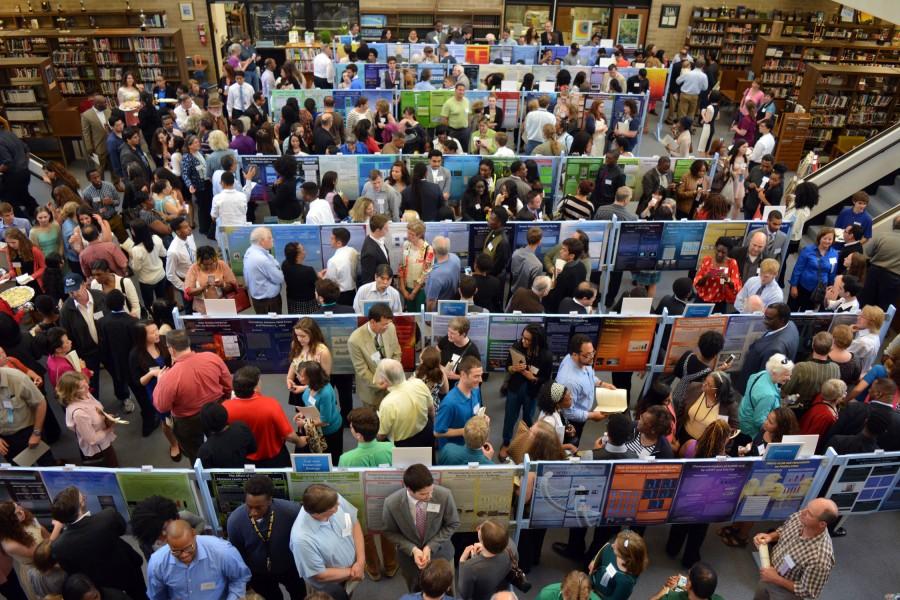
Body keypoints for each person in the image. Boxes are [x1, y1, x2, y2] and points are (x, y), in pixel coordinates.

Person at [49, 486, 147, 600]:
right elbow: (121, 529)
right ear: (80, 505)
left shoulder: (59, 547)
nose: (85, 497)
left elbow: (74, 572)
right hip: (129, 574)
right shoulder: (108, 517)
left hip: (100, 588)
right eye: (82, 497)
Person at [153, 329, 233, 463]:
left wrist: (160, 383)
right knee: (222, 441)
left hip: (188, 422)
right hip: (216, 410)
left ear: (171, 349)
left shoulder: (169, 377)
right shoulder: (212, 358)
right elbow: (228, 385)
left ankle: (202, 476)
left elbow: (162, 407)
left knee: (196, 452)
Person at [382, 464, 460, 592]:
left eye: (431, 491)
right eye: (423, 494)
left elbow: (453, 523)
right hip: (410, 561)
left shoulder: (444, 495)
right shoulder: (391, 503)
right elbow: (389, 532)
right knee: (416, 592)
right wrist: (412, 549)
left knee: (448, 593)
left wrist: (430, 546)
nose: (429, 496)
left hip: (441, 556)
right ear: (409, 489)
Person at [226, 475, 305, 600]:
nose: (253, 512)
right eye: (249, 506)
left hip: (290, 567)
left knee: (300, 595)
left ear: (269, 500)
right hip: (259, 574)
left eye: (258, 507)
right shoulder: (235, 521)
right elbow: (239, 555)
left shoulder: (292, 512)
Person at [290, 484, 365, 600]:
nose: (339, 505)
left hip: (353, 573)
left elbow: (354, 523)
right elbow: (320, 575)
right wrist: (354, 571)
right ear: (317, 513)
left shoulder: (332, 499)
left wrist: (360, 562)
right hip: (328, 589)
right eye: (334, 508)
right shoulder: (301, 539)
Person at [752, 498, 837, 600]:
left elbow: (808, 591)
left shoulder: (820, 559)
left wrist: (776, 579)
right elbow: (784, 529)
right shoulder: (801, 517)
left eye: (810, 513)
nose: (802, 512)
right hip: (770, 573)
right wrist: (770, 536)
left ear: (822, 524)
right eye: (807, 507)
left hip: (786, 592)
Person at [224, 366, 307, 468]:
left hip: (243, 461)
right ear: (255, 387)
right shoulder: (271, 404)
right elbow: (288, 435)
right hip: (274, 460)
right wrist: (300, 441)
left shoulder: (225, 407)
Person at [147, 519, 250, 600]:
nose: (184, 555)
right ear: (167, 542)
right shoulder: (157, 563)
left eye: (188, 548)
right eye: (176, 551)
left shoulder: (222, 552)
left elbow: (239, 578)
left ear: (194, 534)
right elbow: (157, 596)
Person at [500, 324, 553, 455]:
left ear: (536, 341)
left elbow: (546, 379)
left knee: (528, 418)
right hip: (515, 387)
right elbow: (507, 366)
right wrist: (514, 368)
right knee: (510, 417)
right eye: (523, 337)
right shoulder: (517, 347)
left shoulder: (546, 356)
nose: (523, 341)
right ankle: (506, 443)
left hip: (532, 391)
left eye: (527, 339)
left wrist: (534, 378)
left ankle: (525, 443)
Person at [556, 334, 615, 445]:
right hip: (573, 422)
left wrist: (602, 384)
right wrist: (592, 416)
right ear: (574, 355)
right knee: (571, 445)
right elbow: (569, 412)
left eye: (593, 352)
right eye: (588, 354)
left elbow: (588, 375)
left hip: (582, 412)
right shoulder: (570, 382)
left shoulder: (583, 360)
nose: (592, 357)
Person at [59, 273, 108, 394]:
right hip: (87, 353)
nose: (74, 294)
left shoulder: (101, 297)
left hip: (107, 347)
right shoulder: (66, 310)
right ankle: (95, 406)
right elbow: (67, 335)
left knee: (118, 374)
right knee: (91, 383)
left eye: (76, 290)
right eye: (70, 292)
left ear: (84, 285)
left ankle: (123, 396)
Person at [734, 303, 799, 393]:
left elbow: (762, 381)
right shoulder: (791, 325)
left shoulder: (774, 350)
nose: (764, 321)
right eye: (765, 316)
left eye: (769, 318)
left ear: (782, 320)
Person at [347, 304, 402, 408]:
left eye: (389, 323)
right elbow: (362, 371)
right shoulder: (355, 340)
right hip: (371, 392)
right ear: (372, 322)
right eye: (384, 324)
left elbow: (396, 352)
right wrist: (380, 383)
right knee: (372, 422)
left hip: (392, 388)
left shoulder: (390, 327)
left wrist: (393, 373)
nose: (387, 327)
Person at [374, 358, 434, 448]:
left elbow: (382, 434)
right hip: (426, 433)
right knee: (429, 462)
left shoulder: (387, 403)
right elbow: (431, 410)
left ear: (384, 380)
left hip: (404, 444)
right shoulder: (419, 383)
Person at [457, 519, 517, 600]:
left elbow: (465, 594)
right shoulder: (511, 546)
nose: (478, 528)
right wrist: (485, 547)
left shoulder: (470, 567)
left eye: (480, 529)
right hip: (502, 589)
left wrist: (462, 561)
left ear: (483, 542)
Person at [739, 354, 794, 440]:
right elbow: (759, 421)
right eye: (786, 375)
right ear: (775, 373)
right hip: (750, 432)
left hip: (742, 417)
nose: (789, 378)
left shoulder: (763, 374)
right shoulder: (768, 396)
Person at [435, 356, 484, 449]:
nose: (480, 380)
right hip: (453, 452)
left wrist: (481, 417)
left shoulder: (475, 390)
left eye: (481, 375)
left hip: (470, 446)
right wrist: (466, 431)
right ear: (463, 375)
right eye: (476, 376)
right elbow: (437, 432)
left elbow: (476, 410)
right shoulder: (449, 403)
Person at [587, 530, 648, 600]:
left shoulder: (626, 581)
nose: (612, 545)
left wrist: (594, 596)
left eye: (616, 547)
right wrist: (594, 560)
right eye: (614, 542)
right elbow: (602, 552)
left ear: (625, 556)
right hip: (594, 584)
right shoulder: (610, 549)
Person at [789, 228, 837, 312]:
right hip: (802, 287)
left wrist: (830, 286)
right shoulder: (808, 250)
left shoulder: (834, 254)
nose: (827, 241)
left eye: (830, 239)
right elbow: (798, 268)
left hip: (818, 291)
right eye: (825, 238)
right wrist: (794, 286)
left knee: (806, 314)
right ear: (819, 238)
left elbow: (832, 272)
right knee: (791, 310)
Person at [196, 402, 257, 468]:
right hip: (243, 471)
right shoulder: (241, 427)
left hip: (222, 477)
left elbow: (206, 473)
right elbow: (253, 449)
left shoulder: (205, 450)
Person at [860, 215, 900, 312]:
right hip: (893, 279)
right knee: (883, 310)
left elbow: (868, 252)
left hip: (873, 273)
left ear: (893, 225)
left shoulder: (882, 236)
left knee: (865, 303)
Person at [693, 237, 742, 313]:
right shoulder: (707, 261)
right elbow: (697, 283)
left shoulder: (732, 263)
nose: (720, 254)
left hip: (719, 303)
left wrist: (727, 279)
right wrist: (706, 276)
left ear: (728, 252)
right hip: (702, 300)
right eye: (718, 251)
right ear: (715, 248)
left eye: (723, 253)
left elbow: (736, 286)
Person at [243, 227, 284, 314]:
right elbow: (279, 278)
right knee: (274, 325)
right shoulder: (262, 259)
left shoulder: (249, 251)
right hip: (269, 303)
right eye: (269, 238)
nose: (272, 239)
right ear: (262, 241)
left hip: (258, 299)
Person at [649, 562, 723, 600]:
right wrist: (687, 588)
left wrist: (664, 591)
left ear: (689, 584)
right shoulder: (719, 599)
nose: (686, 577)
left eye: (688, 577)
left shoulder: (670, 597)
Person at [424, 236, 461, 312]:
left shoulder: (436, 276)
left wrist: (429, 318)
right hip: (451, 304)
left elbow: (431, 302)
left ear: (434, 251)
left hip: (439, 310)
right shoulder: (455, 258)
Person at [164, 218, 197, 303]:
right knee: (190, 307)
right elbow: (170, 274)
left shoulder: (190, 236)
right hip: (186, 280)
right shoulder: (173, 251)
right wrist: (184, 287)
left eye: (188, 225)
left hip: (198, 276)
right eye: (186, 227)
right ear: (178, 232)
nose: (189, 228)